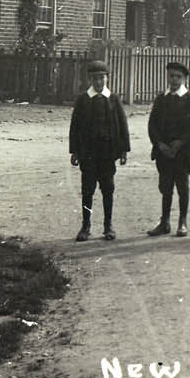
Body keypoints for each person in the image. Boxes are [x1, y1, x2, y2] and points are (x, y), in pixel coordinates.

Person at [68, 59, 130, 242]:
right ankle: (86, 225)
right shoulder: (83, 100)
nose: (99, 82)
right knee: (87, 190)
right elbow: (75, 127)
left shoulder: (113, 99)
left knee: (108, 189)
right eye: (95, 79)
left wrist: (124, 150)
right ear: (89, 79)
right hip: (88, 154)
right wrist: (75, 151)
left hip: (107, 153)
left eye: (102, 78)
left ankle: (108, 225)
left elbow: (122, 125)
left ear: (107, 78)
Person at [147, 61, 190, 237]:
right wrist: (159, 144)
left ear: (184, 78)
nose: (174, 79)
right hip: (164, 151)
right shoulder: (161, 99)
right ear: (167, 76)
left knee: (182, 186)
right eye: (171, 75)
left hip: (182, 151)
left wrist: (181, 142)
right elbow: (152, 125)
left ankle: (182, 221)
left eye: (178, 76)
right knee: (165, 186)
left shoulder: (189, 99)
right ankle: (164, 222)